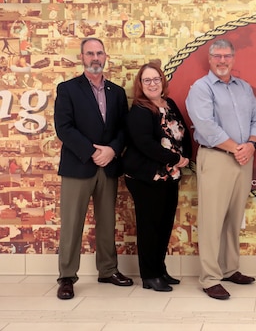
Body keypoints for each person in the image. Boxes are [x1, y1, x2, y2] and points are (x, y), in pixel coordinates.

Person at [53, 37, 132, 300]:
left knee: (107, 221)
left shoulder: (117, 92)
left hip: (108, 165)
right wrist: (92, 152)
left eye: (99, 53)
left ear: (105, 56)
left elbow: (123, 128)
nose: (95, 57)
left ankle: (108, 270)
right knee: (72, 224)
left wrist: (111, 150)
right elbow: (64, 128)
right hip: (78, 165)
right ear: (82, 57)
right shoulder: (67, 89)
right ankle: (67, 277)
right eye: (90, 53)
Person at [185, 39, 256, 300]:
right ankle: (210, 278)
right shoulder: (201, 88)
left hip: (244, 158)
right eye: (217, 56)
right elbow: (205, 125)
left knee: (233, 218)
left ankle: (230, 269)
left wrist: (251, 144)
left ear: (233, 58)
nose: (222, 61)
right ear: (210, 59)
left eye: (226, 56)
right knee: (212, 219)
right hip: (217, 158)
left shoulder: (244, 87)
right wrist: (237, 148)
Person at [123, 63, 192, 292]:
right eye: (147, 80)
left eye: (156, 79)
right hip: (146, 177)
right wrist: (174, 159)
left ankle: (160, 269)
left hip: (170, 176)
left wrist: (186, 158)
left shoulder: (169, 104)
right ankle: (149, 275)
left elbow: (183, 133)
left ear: (162, 81)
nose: (152, 84)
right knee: (149, 226)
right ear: (140, 85)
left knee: (164, 225)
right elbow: (145, 144)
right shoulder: (140, 110)